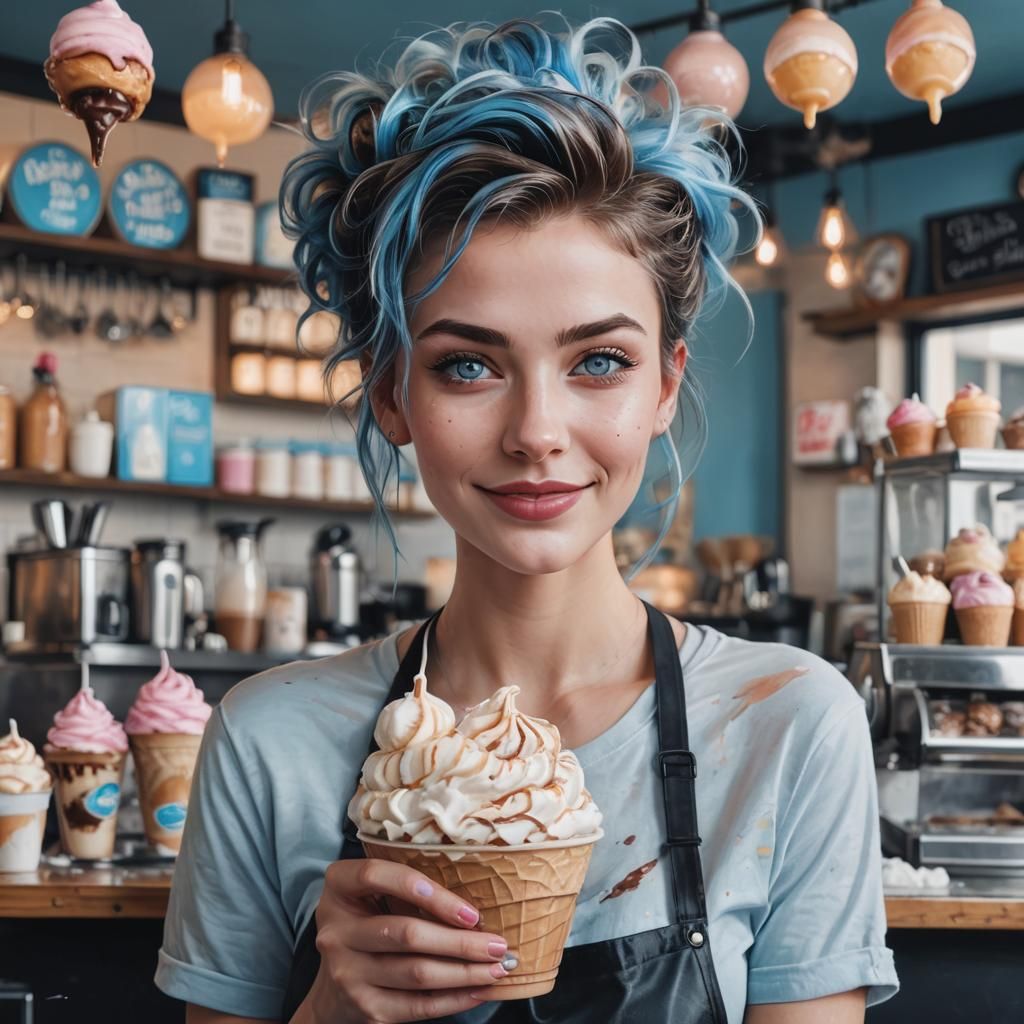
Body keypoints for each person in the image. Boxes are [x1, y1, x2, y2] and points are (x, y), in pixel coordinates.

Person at [155, 16, 899, 1024]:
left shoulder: (789, 724)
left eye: (599, 360)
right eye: (468, 363)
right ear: (390, 393)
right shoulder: (267, 740)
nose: (536, 432)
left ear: (666, 384)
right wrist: (331, 1008)